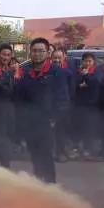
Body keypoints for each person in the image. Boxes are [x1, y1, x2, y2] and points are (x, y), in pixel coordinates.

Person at [16, 37, 69, 183]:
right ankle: (39, 188)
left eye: (41, 51)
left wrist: (54, 119)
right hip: (30, 124)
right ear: (30, 53)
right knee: (35, 157)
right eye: (34, 51)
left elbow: (63, 99)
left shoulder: (56, 73)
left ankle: (50, 188)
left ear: (47, 53)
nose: (37, 54)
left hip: (47, 124)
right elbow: (20, 99)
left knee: (46, 157)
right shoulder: (26, 73)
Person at [72, 52, 100, 159]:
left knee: (89, 129)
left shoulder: (96, 72)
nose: (87, 63)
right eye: (85, 61)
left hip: (91, 106)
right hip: (78, 105)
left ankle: (88, 150)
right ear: (82, 61)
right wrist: (81, 84)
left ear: (93, 62)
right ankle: (77, 149)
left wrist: (86, 76)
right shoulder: (77, 72)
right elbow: (74, 84)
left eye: (90, 61)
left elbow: (95, 84)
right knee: (78, 128)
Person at [51, 48, 75, 161]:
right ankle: (56, 153)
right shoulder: (48, 72)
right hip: (51, 106)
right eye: (54, 58)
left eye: (59, 58)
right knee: (53, 131)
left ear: (64, 58)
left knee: (62, 130)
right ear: (51, 58)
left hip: (64, 106)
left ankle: (61, 151)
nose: (56, 60)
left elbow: (71, 89)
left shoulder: (68, 72)